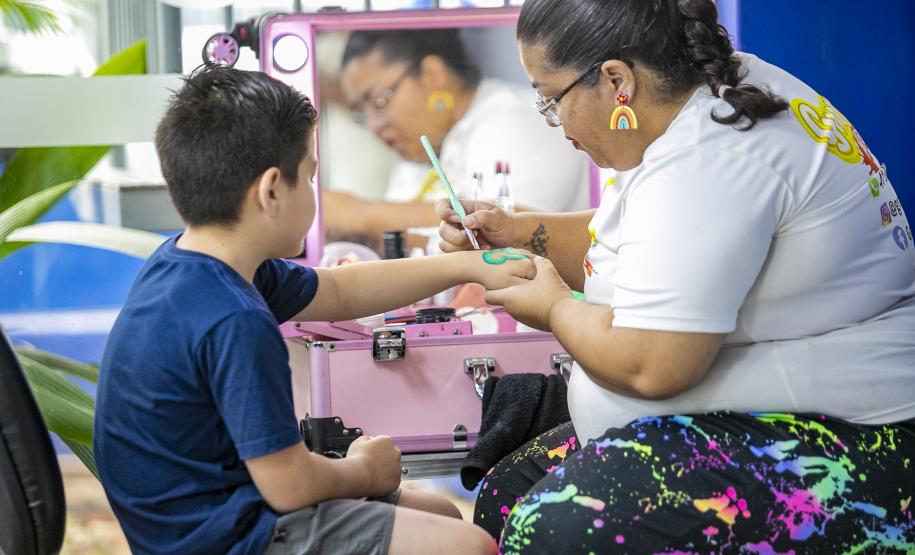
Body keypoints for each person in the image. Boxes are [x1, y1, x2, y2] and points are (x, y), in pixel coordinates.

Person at [436, 0, 915, 552]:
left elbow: (653, 363)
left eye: (551, 100)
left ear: (617, 80)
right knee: (504, 497)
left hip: (862, 434)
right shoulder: (709, 96)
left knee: (552, 528)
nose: (555, 122)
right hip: (762, 406)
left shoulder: (712, 158)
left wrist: (553, 308)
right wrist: (519, 232)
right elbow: (656, 242)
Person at [92, 66, 534, 555]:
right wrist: (367, 469)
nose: (316, 195)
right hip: (228, 537)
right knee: (467, 546)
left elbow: (341, 291)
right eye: (310, 176)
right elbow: (289, 486)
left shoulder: (197, 265)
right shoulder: (235, 318)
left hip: (218, 513)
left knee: (440, 513)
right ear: (272, 191)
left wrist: (467, 266)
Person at [323, 29, 591, 244]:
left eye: (379, 102)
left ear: (433, 75)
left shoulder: (512, 120)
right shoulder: (420, 149)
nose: (373, 125)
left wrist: (362, 216)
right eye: (361, 113)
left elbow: (510, 232)